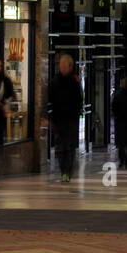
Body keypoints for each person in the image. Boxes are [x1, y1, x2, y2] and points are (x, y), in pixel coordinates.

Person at [48, 54, 83, 182]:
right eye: (60, 65)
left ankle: (67, 171)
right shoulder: (54, 82)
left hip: (71, 120)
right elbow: (49, 99)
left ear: (70, 66)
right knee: (60, 148)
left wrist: (76, 113)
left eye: (64, 65)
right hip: (58, 119)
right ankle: (63, 170)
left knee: (69, 147)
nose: (61, 68)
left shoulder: (75, 81)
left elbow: (79, 100)